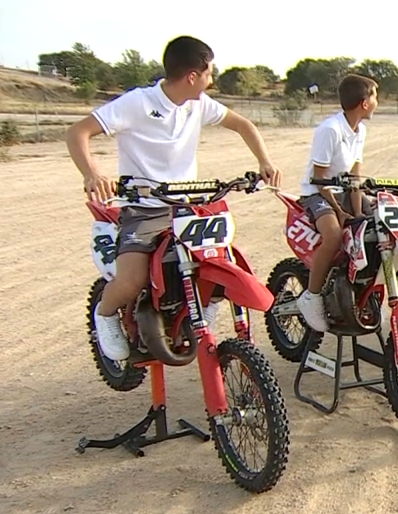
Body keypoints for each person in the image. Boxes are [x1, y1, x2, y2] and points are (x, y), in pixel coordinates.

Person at [66, 35, 282, 362]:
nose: (212, 80)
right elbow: (77, 132)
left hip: (188, 208)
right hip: (144, 208)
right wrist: (92, 173)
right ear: (192, 76)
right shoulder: (137, 103)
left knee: (223, 259)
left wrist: (265, 162)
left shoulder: (199, 105)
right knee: (131, 279)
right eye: (209, 73)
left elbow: (243, 125)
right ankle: (106, 314)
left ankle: (201, 311)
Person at [296, 74, 379, 332]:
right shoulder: (330, 130)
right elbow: (318, 179)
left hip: (345, 192)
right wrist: (340, 212)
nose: (378, 102)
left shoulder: (360, 130)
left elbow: (355, 177)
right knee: (333, 234)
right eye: (375, 96)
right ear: (364, 103)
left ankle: (362, 291)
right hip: (317, 193)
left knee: (378, 224)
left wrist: (356, 212)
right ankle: (312, 295)